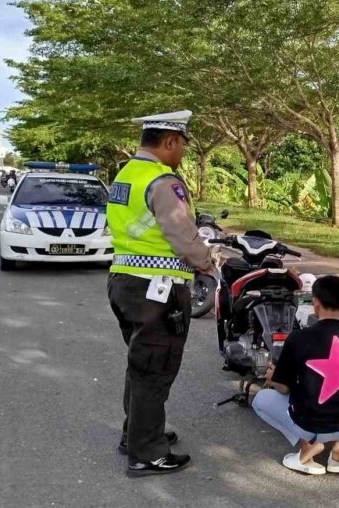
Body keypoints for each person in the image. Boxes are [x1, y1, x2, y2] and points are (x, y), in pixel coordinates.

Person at [106, 110, 217, 477]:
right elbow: (180, 234)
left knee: (140, 365)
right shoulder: (162, 181)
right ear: (169, 141)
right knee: (154, 370)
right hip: (157, 289)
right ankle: (146, 453)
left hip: (124, 282)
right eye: (182, 145)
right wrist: (207, 262)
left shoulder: (126, 174)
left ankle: (137, 434)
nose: (183, 152)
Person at [253, 275, 339, 475]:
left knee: (261, 400)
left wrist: (273, 378)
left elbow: (284, 388)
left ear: (315, 301)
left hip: (311, 423)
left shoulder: (299, 338)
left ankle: (308, 447)